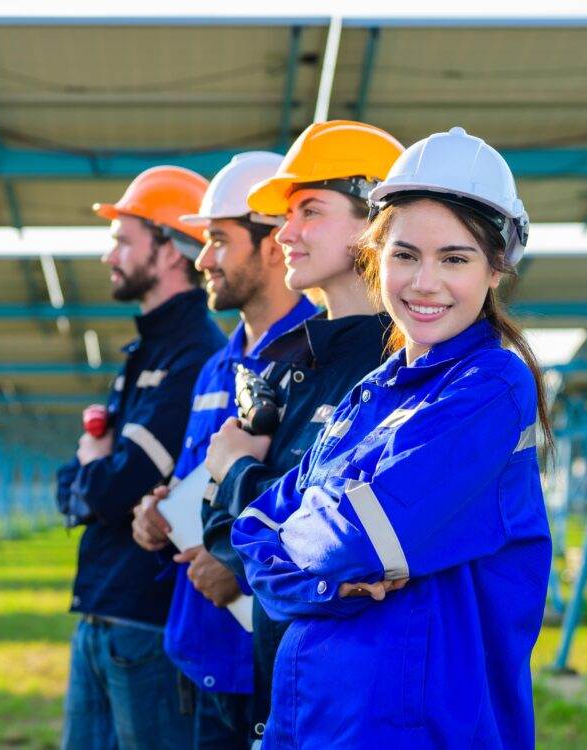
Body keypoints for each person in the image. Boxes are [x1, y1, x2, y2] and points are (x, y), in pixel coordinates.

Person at [232, 127, 552, 749]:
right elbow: (252, 537)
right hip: (312, 719)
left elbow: (365, 535)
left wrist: (306, 536)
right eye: (405, 255)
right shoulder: (370, 393)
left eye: (454, 259)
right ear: (377, 255)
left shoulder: (491, 385)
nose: (424, 282)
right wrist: (320, 569)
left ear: (496, 268)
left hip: (421, 729)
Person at [199, 121, 404, 747]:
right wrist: (257, 502)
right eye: (286, 217)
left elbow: (340, 548)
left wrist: (238, 472)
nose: (285, 234)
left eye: (309, 212)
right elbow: (228, 541)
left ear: (375, 221)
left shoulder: (402, 369)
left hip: (358, 707)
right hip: (284, 695)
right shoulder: (289, 364)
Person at [130, 151, 317, 749]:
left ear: (272, 242)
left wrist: (235, 565)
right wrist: (163, 514)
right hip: (198, 645)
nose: (202, 258)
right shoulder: (216, 364)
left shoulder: (322, 356)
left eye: (217, 240)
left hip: (265, 657)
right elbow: (203, 488)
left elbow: (319, 507)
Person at [56, 165, 225, 750]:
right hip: (103, 610)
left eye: (123, 240)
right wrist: (93, 475)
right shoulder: (145, 353)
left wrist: (92, 473)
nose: (110, 256)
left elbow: (110, 488)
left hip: (147, 619)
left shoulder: (197, 355)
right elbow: (87, 484)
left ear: (172, 250)